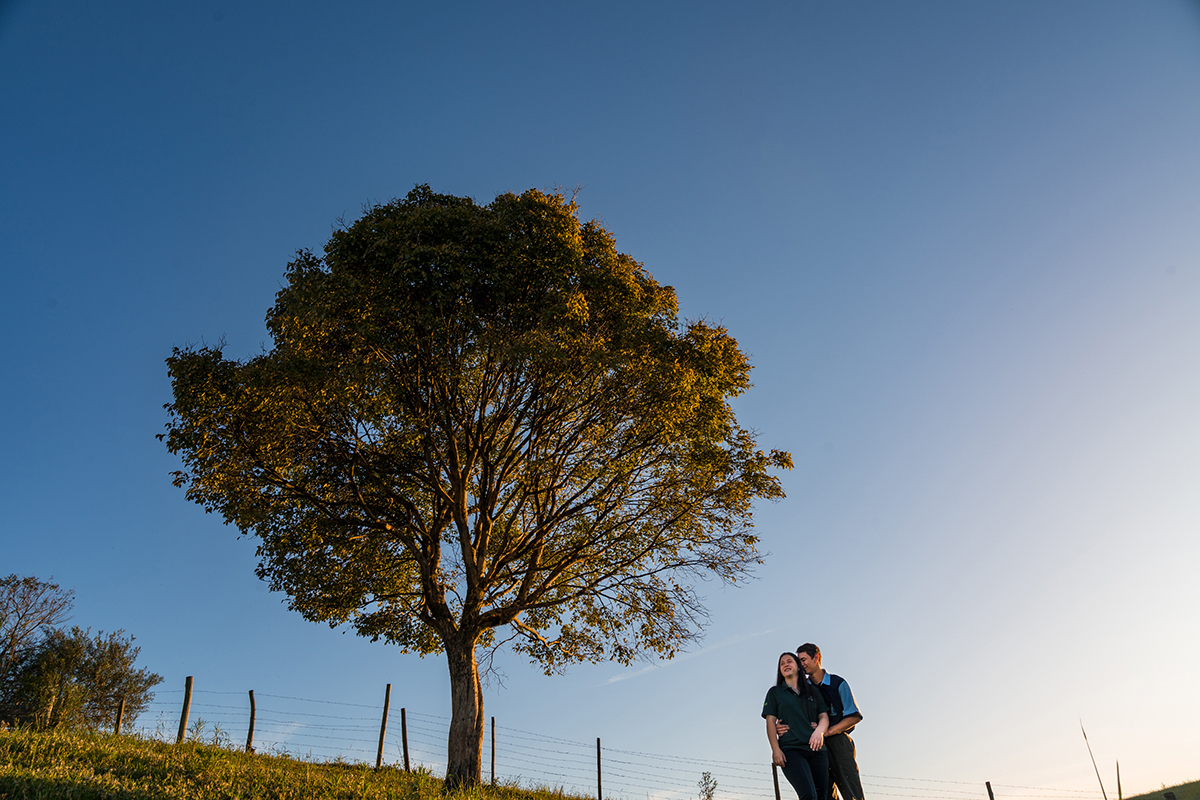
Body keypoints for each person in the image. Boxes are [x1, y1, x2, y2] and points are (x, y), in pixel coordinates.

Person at [795, 643, 865, 800]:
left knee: (852, 793)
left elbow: (853, 716)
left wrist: (828, 732)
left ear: (816, 658)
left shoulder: (838, 683)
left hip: (839, 743)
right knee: (824, 795)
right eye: (799, 661)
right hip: (816, 748)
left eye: (804, 659)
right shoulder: (803, 690)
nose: (802, 664)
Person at [762, 652, 830, 800]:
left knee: (822, 797)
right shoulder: (775, 693)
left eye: (789, 661)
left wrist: (820, 731)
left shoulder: (813, 691)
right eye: (782, 663)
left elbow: (823, 716)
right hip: (792, 750)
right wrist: (775, 750)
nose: (785, 664)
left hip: (818, 749)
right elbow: (770, 722)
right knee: (809, 795)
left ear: (798, 667)